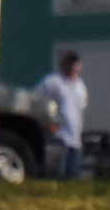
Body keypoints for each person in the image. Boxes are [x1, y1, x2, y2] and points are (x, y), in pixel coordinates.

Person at [33, 50, 88, 179]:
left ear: (80, 66)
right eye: (70, 62)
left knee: (72, 176)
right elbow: (35, 99)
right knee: (56, 174)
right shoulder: (52, 82)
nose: (73, 66)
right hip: (58, 137)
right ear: (63, 64)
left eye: (75, 63)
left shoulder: (81, 87)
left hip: (75, 139)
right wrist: (49, 122)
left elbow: (81, 108)